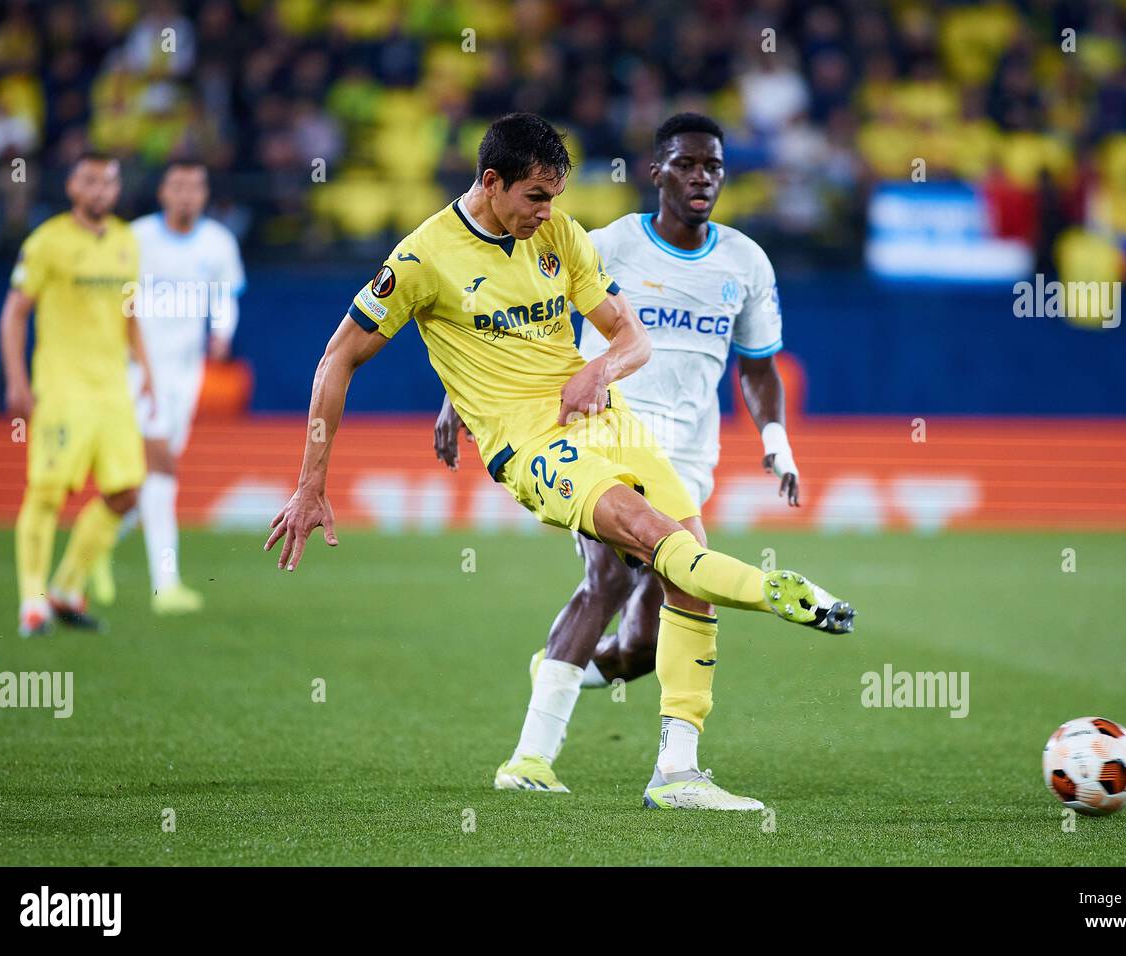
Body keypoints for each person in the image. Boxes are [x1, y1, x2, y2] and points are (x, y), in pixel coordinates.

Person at [264, 113, 856, 810]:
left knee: (688, 577)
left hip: (607, 418)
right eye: (536, 197)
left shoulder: (560, 235)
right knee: (649, 541)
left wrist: (600, 370)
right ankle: (777, 592)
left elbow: (632, 338)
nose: (548, 213)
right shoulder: (424, 259)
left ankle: (679, 775)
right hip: (530, 444)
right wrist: (311, 485)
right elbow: (338, 359)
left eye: (555, 197)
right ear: (492, 183)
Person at [435, 113, 808, 804]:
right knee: (605, 581)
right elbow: (522, 323)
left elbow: (758, 366)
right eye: (687, 164)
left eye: (714, 167)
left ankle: (569, 670)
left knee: (646, 638)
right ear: (656, 169)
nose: (702, 178)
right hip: (600, 435)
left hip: (688, 456)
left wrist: (776, 442)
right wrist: (464, 399)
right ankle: (542, 757)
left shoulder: (746, 263)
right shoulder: (604, 243)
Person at [0, 152, 152, 636]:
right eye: (90, 181)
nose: (100, 191)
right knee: (47, 491)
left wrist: (144, 367)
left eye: (109, 182)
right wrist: (16, 380)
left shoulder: (127, 242)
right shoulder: (47, 242)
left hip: (112, 389)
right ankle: (32, 602)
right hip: (62, 387)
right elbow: (14, 313)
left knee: (126, 493)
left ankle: (66, 588)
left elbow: (129, 312)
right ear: (72, 187)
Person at [93, 159, 245, 614]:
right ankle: (166, 584)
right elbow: (117, 304)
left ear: (204, 194)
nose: (186, 195)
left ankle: (94, 548)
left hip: (186, 372)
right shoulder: (136, 239)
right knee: (161, 473)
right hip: (143, 373)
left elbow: (226, 297)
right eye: (177, 186)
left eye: (194, 187)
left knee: (149, 476)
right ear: (162, 192)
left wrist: (222, 332)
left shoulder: (218, 242)